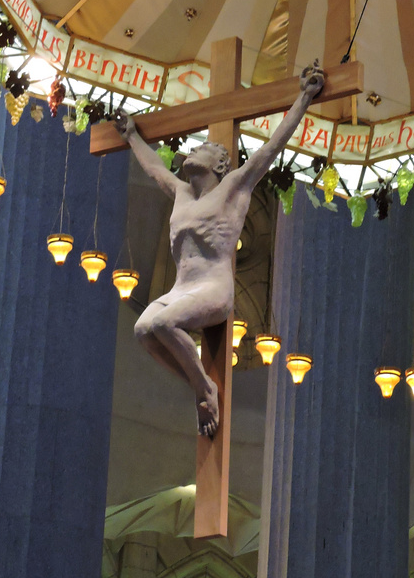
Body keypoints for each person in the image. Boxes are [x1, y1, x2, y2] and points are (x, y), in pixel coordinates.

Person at [115, 61, 325, 437]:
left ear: (221, 162)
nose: (192, 153)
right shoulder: (180, 193)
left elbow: (273, 146)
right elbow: (152, 168)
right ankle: (199, 383)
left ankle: (204, 388)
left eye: (203, 149)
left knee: (162, 322)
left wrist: (304, 97)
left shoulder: (234, 186)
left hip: (213, 287)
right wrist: (131, 135)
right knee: (143, 329)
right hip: (181, 287)